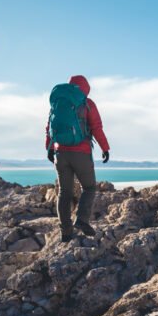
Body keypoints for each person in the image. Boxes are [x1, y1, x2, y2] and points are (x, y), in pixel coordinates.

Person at [45, 75, 110, 242]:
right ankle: (81, 220)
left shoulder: (58, 102)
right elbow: (96, 127)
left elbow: (49, 127)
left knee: (63, 193)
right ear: (86, 88)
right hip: (81, 152)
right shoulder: (87, 103)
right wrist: (105, 148)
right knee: (88, 188)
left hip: (60, 153)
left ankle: (65, 232)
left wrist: (50, 147)